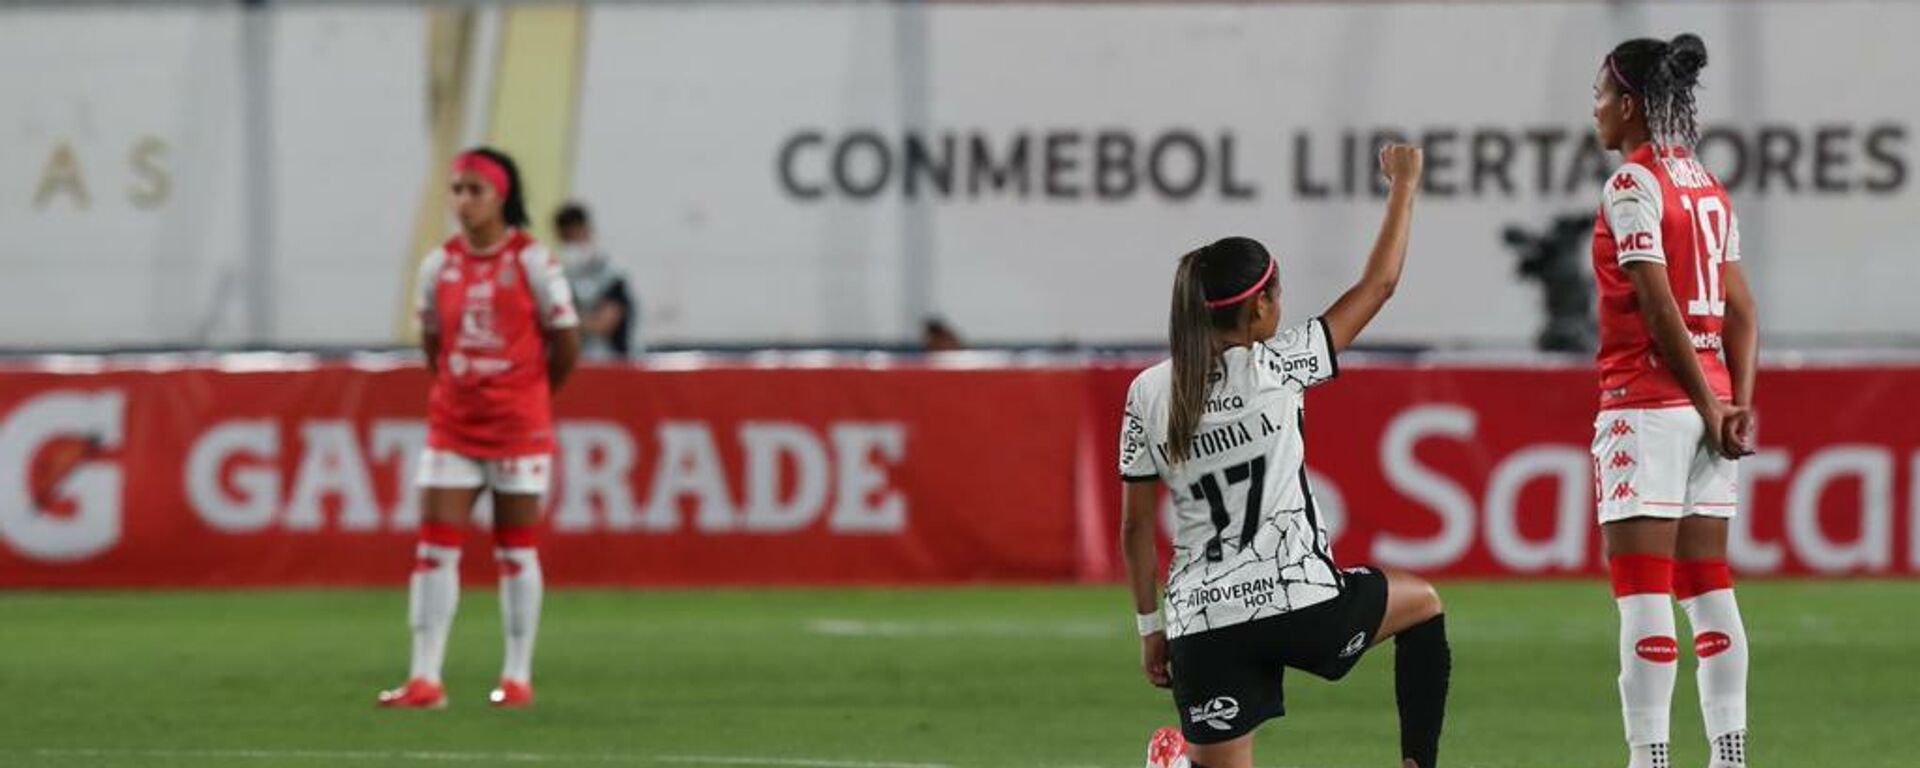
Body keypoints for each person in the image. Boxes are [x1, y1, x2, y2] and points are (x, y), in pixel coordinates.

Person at [1121, 145, 1449, 768]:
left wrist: (1149, 629)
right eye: (1278, 295)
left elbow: (1136, 527)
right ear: (1260, 308)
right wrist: (1404, 184)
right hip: (1299, 601)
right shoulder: (1279, 365)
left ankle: (1180, 763)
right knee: (1423, 605)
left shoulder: (1147, 392)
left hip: (1201, 623)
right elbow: (1377, 286)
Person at [1589, 34, 1755, 768]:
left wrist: (1703, 402)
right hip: (1712, 400)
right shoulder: (1708, 185)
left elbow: (1657, 308)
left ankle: (1649, 757)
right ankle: (1729, 752)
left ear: (1628, 104)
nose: (1594, 111)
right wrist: (1730, 405)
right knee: (1708, 584)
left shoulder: (1633, 184)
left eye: (1599, 96)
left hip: (1646, 400)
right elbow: (1743, 310)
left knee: (1642, 589)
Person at [378, 147, 581, 709]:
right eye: (457, 189)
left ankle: (516, 675)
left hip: (518, 428)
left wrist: (531, 396)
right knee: (434, 547)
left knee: (515, 549)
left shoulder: (533, 263)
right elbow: (433, 345)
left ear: (501, 197)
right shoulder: (437, 265)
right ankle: (425, 678)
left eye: (475, 190)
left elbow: (566, 342)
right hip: (454, 426)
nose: (463, 201)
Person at [554, 202, 637, 358]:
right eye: (566, 239)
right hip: (577, 362)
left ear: (586, 230)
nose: (571, 244)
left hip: (613, 361)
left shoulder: (613, 272)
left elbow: (604, 322)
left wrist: (567, 322)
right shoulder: (561, 275)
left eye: (575, 236)